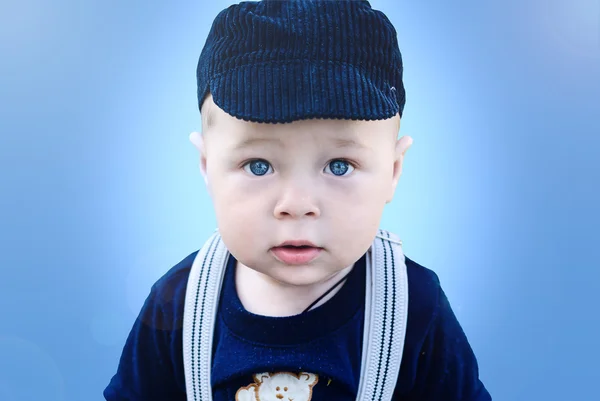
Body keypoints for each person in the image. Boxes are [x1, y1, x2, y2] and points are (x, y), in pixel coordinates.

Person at [104, 1, 491, 400]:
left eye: (339, 166)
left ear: (393, 172)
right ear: (206, 167)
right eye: (258, 165)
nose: (297, 203)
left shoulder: (413, 307)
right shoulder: (177, 305)